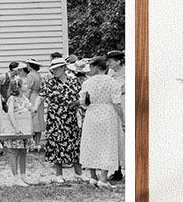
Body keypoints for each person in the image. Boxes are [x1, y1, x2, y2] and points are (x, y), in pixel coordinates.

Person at [79, 56, 123, 187]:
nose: (90, 69)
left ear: (98, 67)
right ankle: (102, 178)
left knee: (92, 143)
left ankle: (93, 176)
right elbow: (117, 103)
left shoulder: (87, 83)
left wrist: (88, 105)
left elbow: (83, 102)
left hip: (92, 113)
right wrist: (123, 119)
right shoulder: (112, 82)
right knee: (107, 145)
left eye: (91, 67)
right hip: (108, 114)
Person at [42, 56, 83, 183]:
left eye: (56, 69)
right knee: (56, 143)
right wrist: (33, 109)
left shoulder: (74, 80)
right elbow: (42, 96)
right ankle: (58, 174)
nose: (54, 71)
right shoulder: (50, 82)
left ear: (63, 68)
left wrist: (78, 104)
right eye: (52, 69)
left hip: (71, 117)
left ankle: (78, 173)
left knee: (74, 143)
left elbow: (81, 96)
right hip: (55, 117)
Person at [0, 73, 36, 186]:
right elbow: (10, 113)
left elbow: (30, 109)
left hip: (24, 131)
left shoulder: (24, 99)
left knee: (23, 152)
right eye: (25, 84)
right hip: (15, 130)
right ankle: (15, 177)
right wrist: (15, 127)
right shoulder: (12, 99)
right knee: (14, 153)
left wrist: (33, 109)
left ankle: (23, 175)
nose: (27, 85)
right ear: (18, 86)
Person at [106, 49, 126, 182]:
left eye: (111, 61)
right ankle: (118, 169)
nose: (108, 63)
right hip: (114, 103)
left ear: (118, 61)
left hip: (125, 101)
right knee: (116, 136)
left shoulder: (128, 72)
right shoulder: (111, 73)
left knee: (125, 135)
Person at [21, 59, 44, 150]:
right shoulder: (39, 75)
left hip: (33, 97)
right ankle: (37, 143)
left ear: (30, 65)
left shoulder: (30, 75)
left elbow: (29, 88)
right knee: (38, 120)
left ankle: (32, 143)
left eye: (28, 64)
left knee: (32, 120)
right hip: (39, 97)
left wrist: (25, 99)